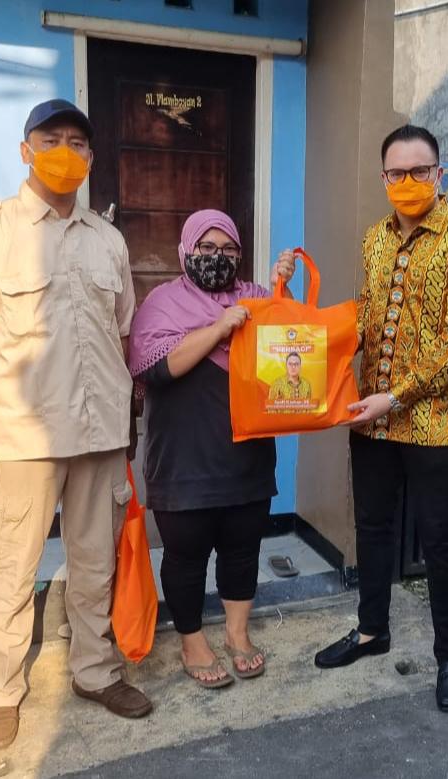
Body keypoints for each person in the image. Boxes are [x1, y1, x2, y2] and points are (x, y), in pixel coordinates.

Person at [0, 99, 152, 751]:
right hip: (20, 439)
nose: (64, 152)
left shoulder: (108, 240)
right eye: (51, 140)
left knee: (95, 564)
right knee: (9, 567)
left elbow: (123, 333)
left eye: (77, 142)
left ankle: (95, 670)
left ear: (91, 158)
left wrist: (128, 414)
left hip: (100, 435)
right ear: (25, 151)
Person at [314, 125, 448, 713]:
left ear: (439, 175)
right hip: (370, 419)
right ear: (384, 178)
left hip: (435, 423)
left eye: (421, 171)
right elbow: (366, 319)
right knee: (372, 528)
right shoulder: (375, 238)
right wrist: (304, 334)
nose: (409, 181)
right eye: (398, 173)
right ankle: (373, 630)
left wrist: (395, 397)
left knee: (440, 540)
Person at [128, 210, 295, 688]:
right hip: (183, 461)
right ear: (186, 251)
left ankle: (238, 634)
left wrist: (279, 291)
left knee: (242, 550)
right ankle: (192, 642)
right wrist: (220, 328)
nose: (217, 257)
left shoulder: (254, 297)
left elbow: (291, 345)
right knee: (186, 556)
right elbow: (156, 368)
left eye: (228, 249)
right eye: (207, 247)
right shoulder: (162, 304)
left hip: (247, 457)